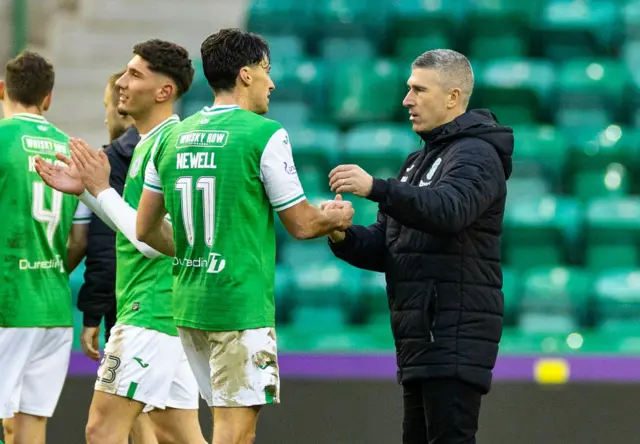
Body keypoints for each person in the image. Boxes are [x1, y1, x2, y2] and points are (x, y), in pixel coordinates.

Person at [135, 28, 354, 444]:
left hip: (189, 307)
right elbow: (302, 224)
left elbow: (144, 229)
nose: (272, 82)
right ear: (245, 74)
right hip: (238, 308)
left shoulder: (171, 138)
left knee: (227, 429)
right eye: (266, 70)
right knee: (235, 435)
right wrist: (336, 216)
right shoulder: (263, 133)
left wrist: (195, 252)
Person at [325, 49, 514, 444]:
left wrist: (377, 188)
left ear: (453, 96)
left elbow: (449, 211)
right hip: (421, 339)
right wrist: (341, 233)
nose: (406, 100)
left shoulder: (477, 154)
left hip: (454, 334)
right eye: (408, 89)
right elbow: (389, 246)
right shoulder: (417, 160)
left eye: (418, 90)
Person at [34, 40, 205, 444]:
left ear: (164, 91)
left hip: (152, 310)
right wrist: (87, 192)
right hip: (163, 310)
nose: (121, 84)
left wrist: (100, 190)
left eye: (135, 74)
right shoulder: (149, 142)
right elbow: (136, 225)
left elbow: (154, 241)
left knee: (101, 429)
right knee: (174, 433)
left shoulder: (170, 145)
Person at [0, 51, 89, 444]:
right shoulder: (71, 151)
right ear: (48, 98)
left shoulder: (3, 141)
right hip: (53, 306)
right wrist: (46, 268)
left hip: (8, 302)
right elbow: (79, 240)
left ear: (3, 90)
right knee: (32, 423)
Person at [78, 70, 161, 444]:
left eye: (109, 105)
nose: (108, 114)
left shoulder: (109, 162)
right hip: (173, 306)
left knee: (105, 427)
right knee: (169, 426)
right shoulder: (171, 148)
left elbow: (103, 246)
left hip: (136, 309)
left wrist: (94, 311)